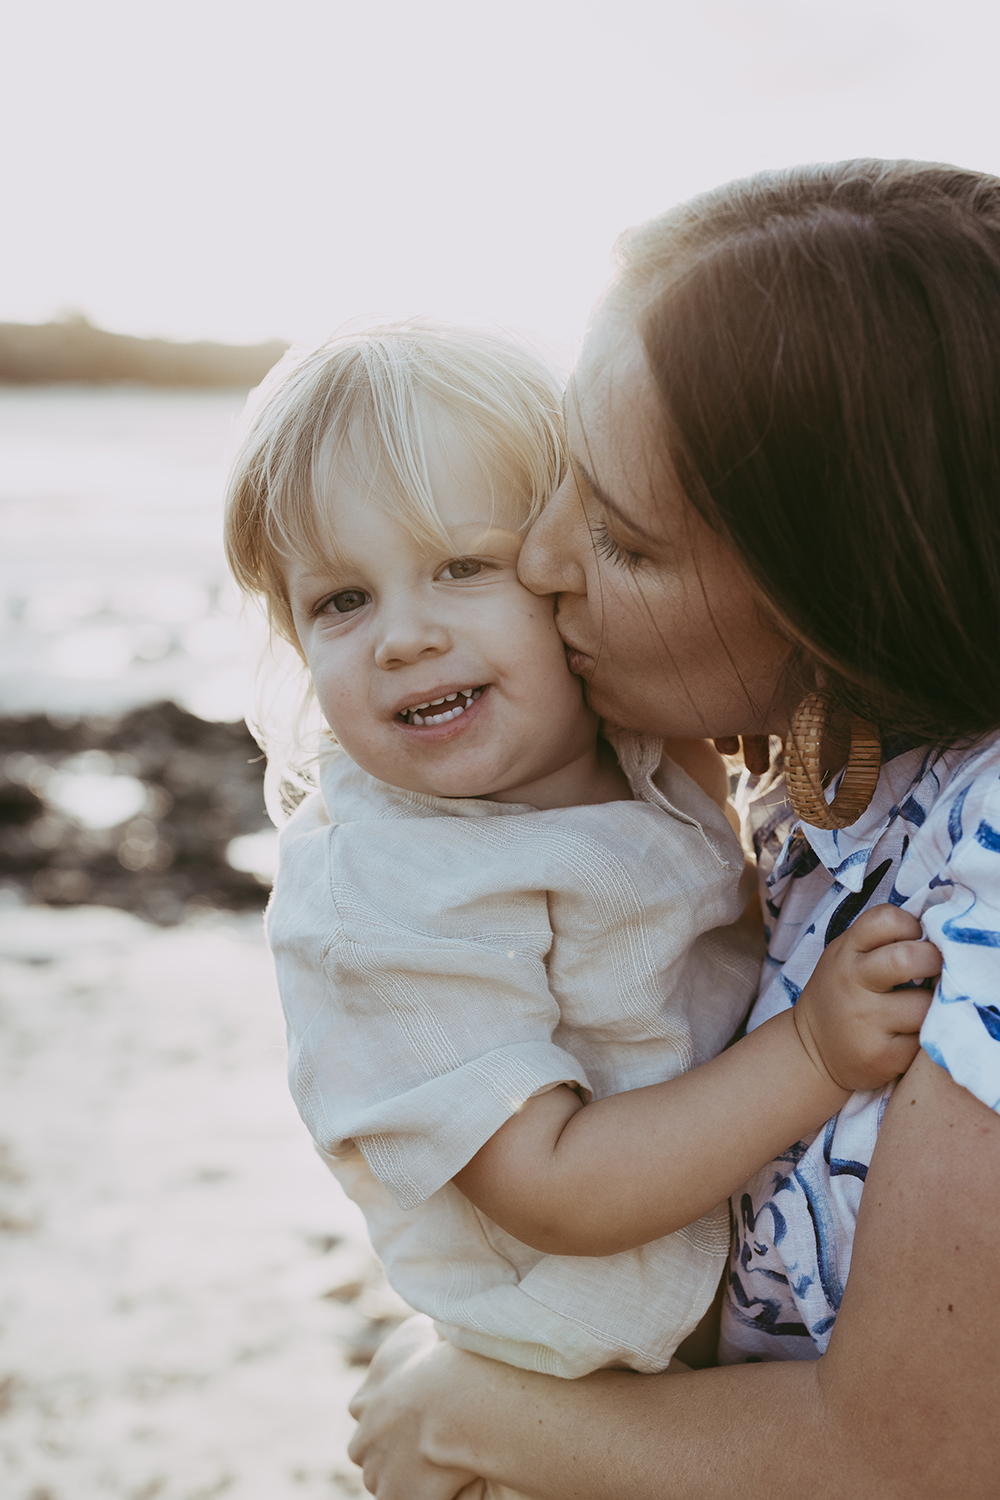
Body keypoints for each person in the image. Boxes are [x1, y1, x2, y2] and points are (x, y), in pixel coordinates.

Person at [345, 159, 1000, 1499]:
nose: (541, 560)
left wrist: (473, 1412)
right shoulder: (830, 794)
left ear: (841, 595)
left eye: (628, 542)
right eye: (562, 476)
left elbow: (911, 1462)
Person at [224, 320, 936, 1494]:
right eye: (341, 599)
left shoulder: (640, 738)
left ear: (564, 564)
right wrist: (811, 1054)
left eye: (463, 567)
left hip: (704, 1355)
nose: (405, 636)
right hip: (569, 1408)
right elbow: (554, 1185)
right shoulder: (386, 897)